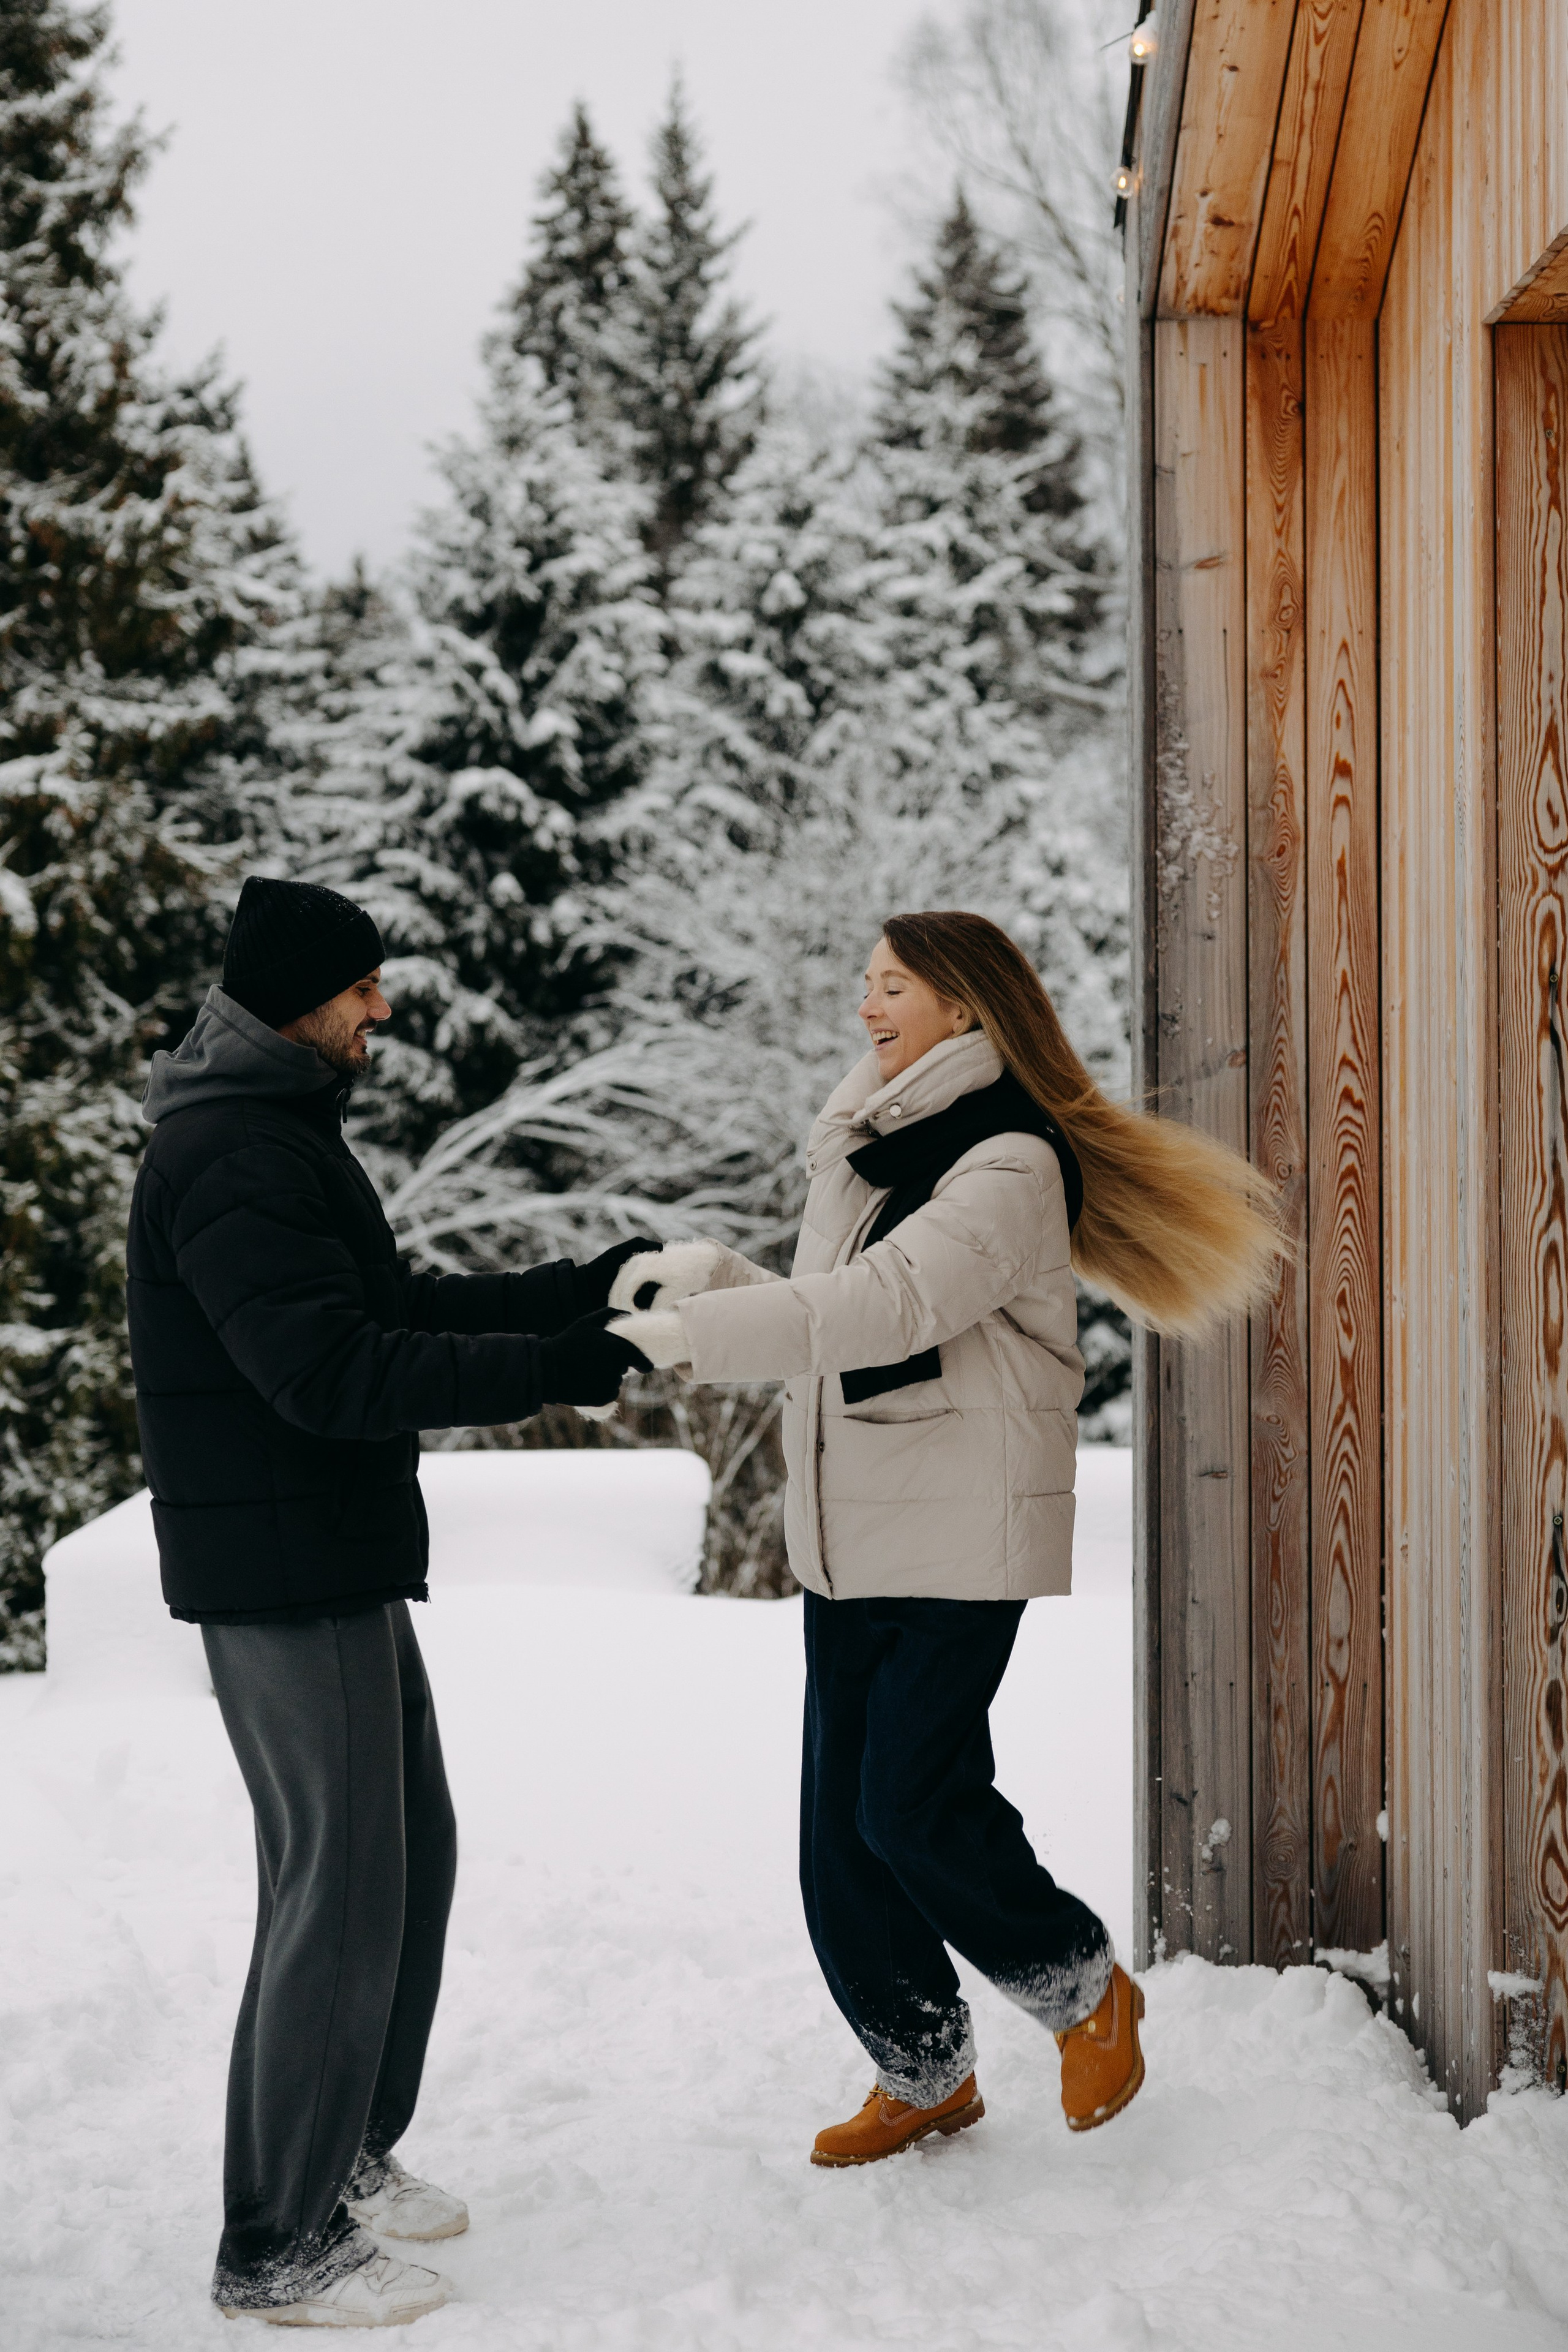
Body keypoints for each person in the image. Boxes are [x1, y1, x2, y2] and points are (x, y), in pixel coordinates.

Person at [606, 911, 1277, 2166]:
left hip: (962, 1529)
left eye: (894, 986)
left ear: (965, 1008)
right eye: (866, 984)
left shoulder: (1007, 1159)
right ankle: (921, 2071)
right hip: (852, 1526)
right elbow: (829, 1313)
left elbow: (893, 1303)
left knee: (909, 1804)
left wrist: (694, 1343)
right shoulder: (870, 1143)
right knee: (837, 1841)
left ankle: (1081, 1986)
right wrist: (712, 1282)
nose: (868, 1005)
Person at [126, 876, 652, 2327]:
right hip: (284, 1574)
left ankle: (346, 2148)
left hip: (328, 1554)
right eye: (360, 985)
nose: (380, 1007)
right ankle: (277, 2243)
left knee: (404, 1859)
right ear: (302, 995)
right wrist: (549, 1373)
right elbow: (330, 1373)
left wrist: (566, 1296)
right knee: (340, 1890)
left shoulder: (276, 1131)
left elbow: (382, 1303)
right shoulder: (231, 1152)